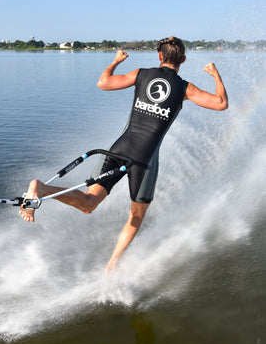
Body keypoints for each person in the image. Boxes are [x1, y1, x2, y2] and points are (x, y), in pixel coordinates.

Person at [19, 37, 228, 273]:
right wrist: (215, 75)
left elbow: (103, 82)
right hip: (143, 161)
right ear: (184, 60)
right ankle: (112, 267)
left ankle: (42, 188)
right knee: (136, 218)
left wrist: (115, 61)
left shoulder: (141, 73)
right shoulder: (184, 88)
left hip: (117, 149)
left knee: (89, 203)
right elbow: (221, 103)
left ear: (159, 56)